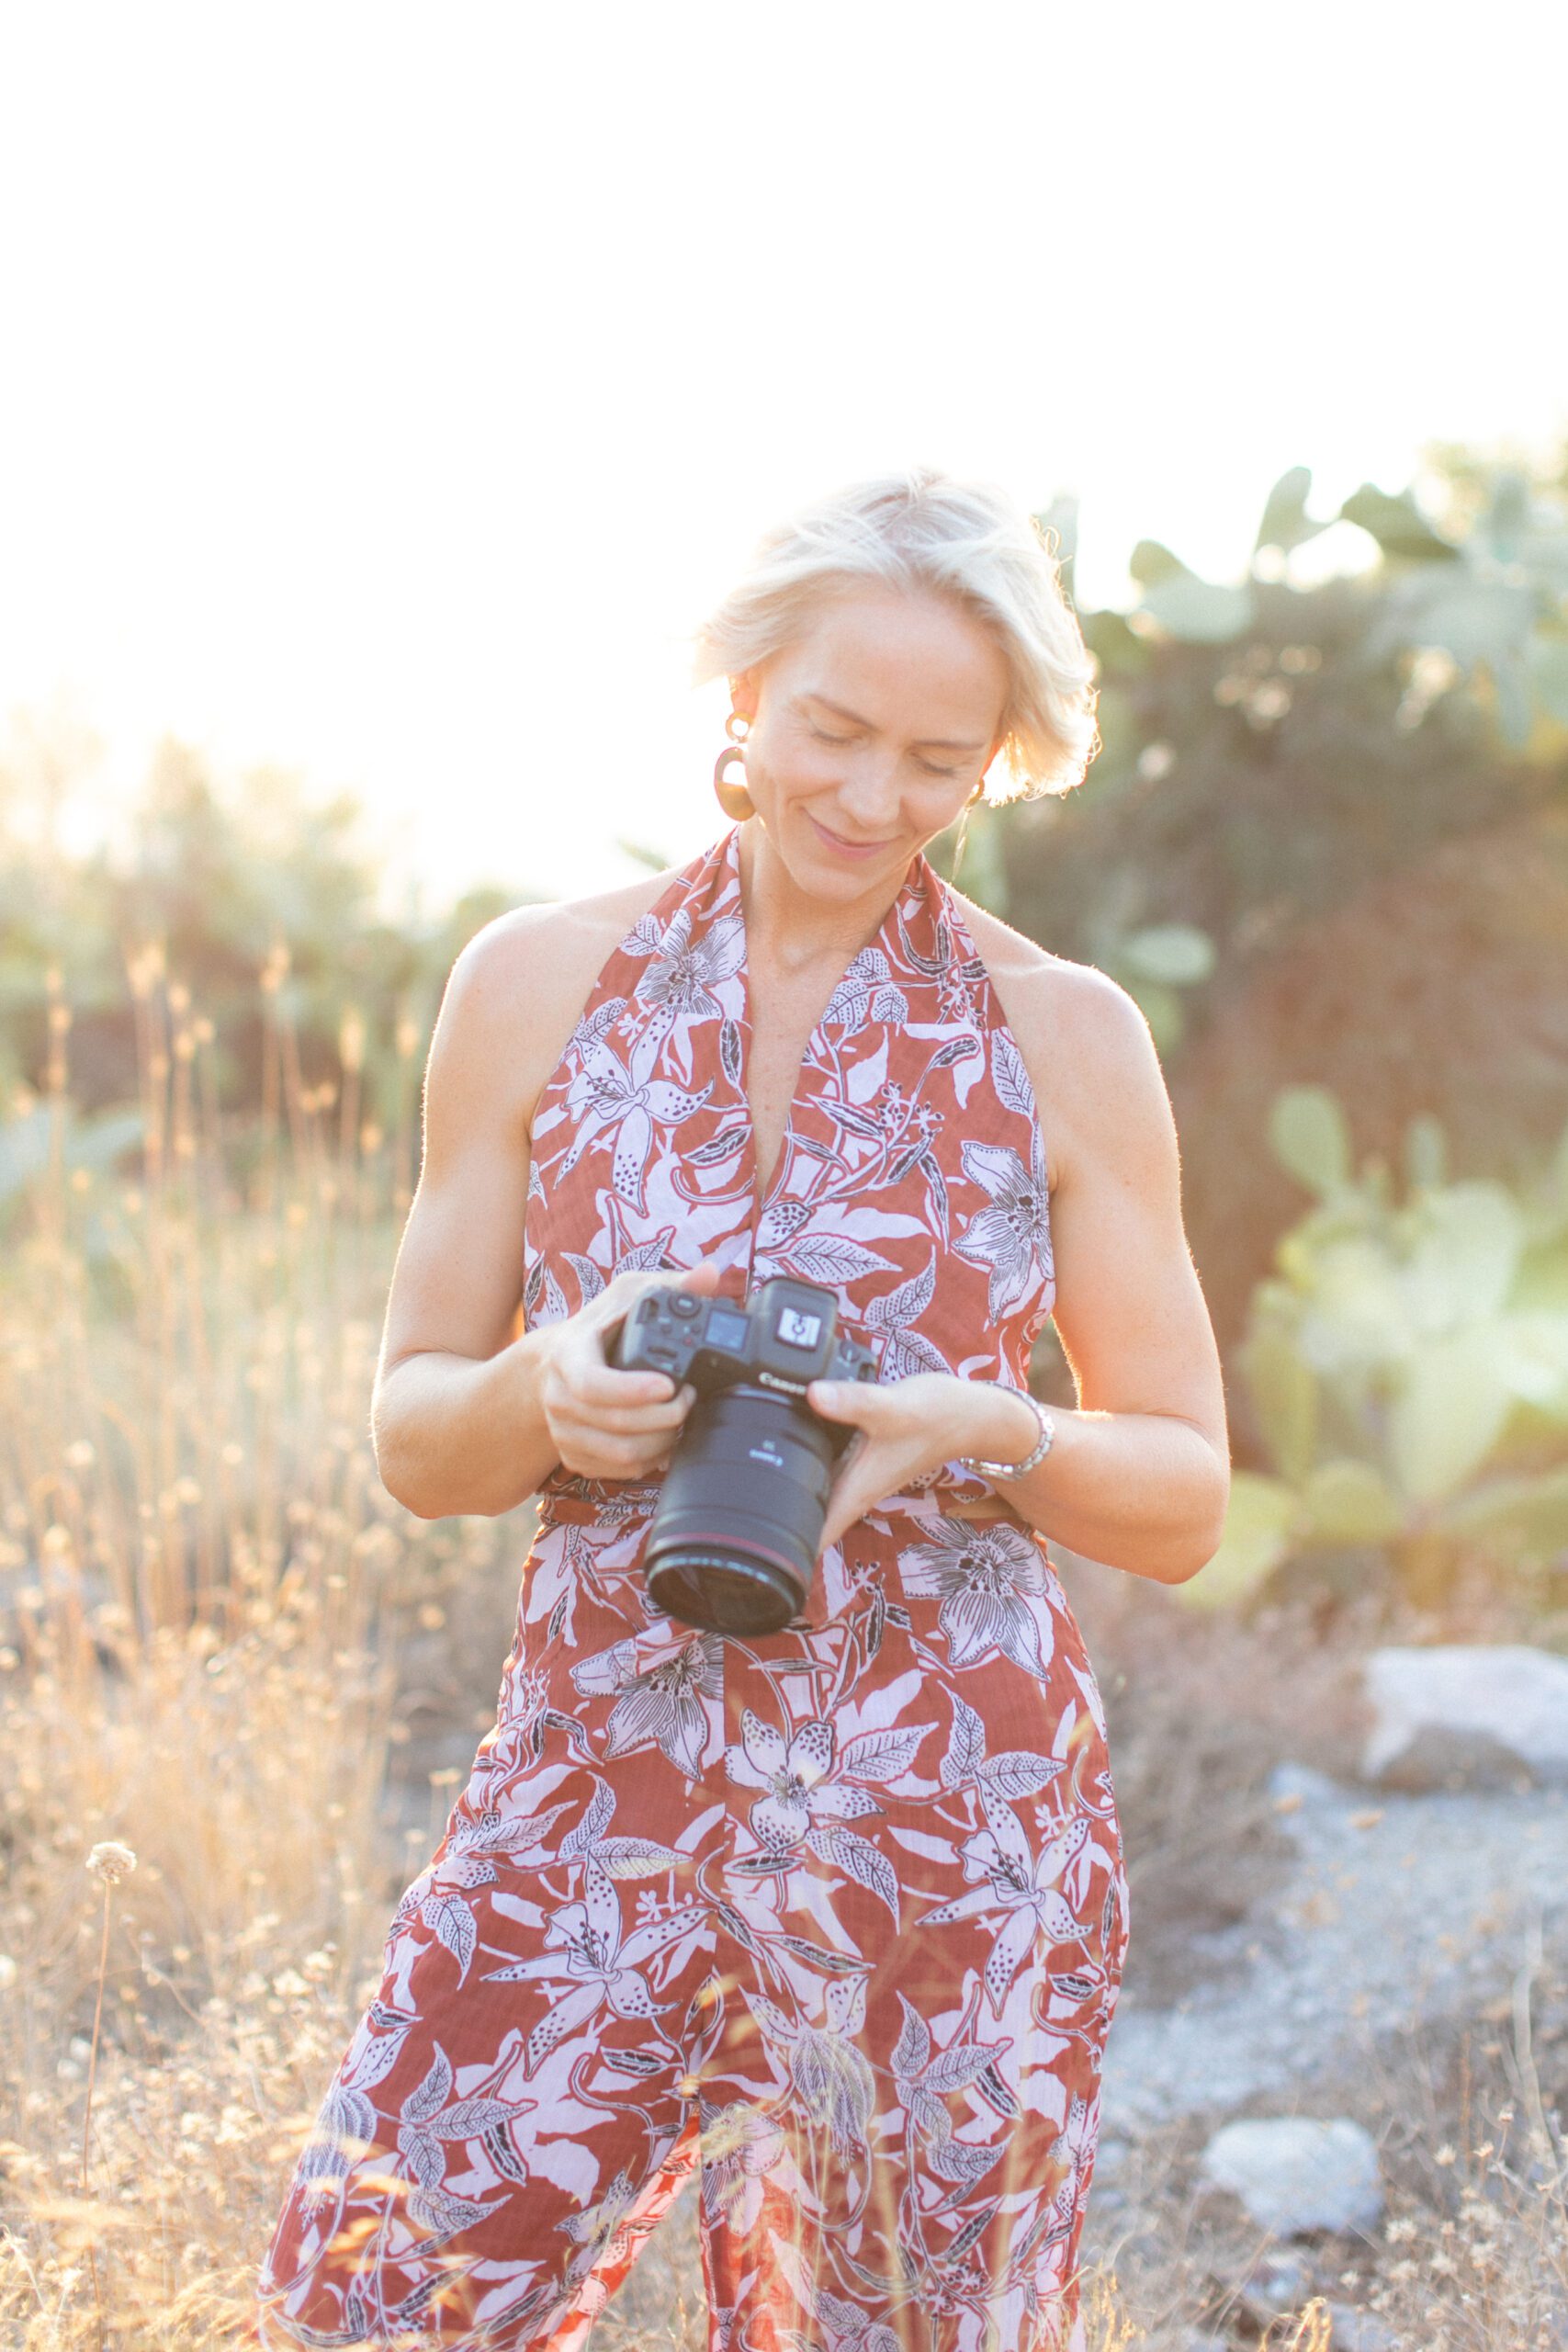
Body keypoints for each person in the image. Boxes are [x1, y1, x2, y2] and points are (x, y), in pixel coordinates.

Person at [256, 469, 1230, 2352]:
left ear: (1000, 766)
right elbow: (414, 1439)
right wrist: (550, 1388)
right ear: (742, 695)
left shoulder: (1066, 1038)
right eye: (833, 731)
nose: (870, 799)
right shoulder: (531, 983)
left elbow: (1182, 1496)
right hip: (591, 1788)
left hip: (949, 1825)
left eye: (937, 760)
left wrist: (978, 1430)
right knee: (375, 2298)